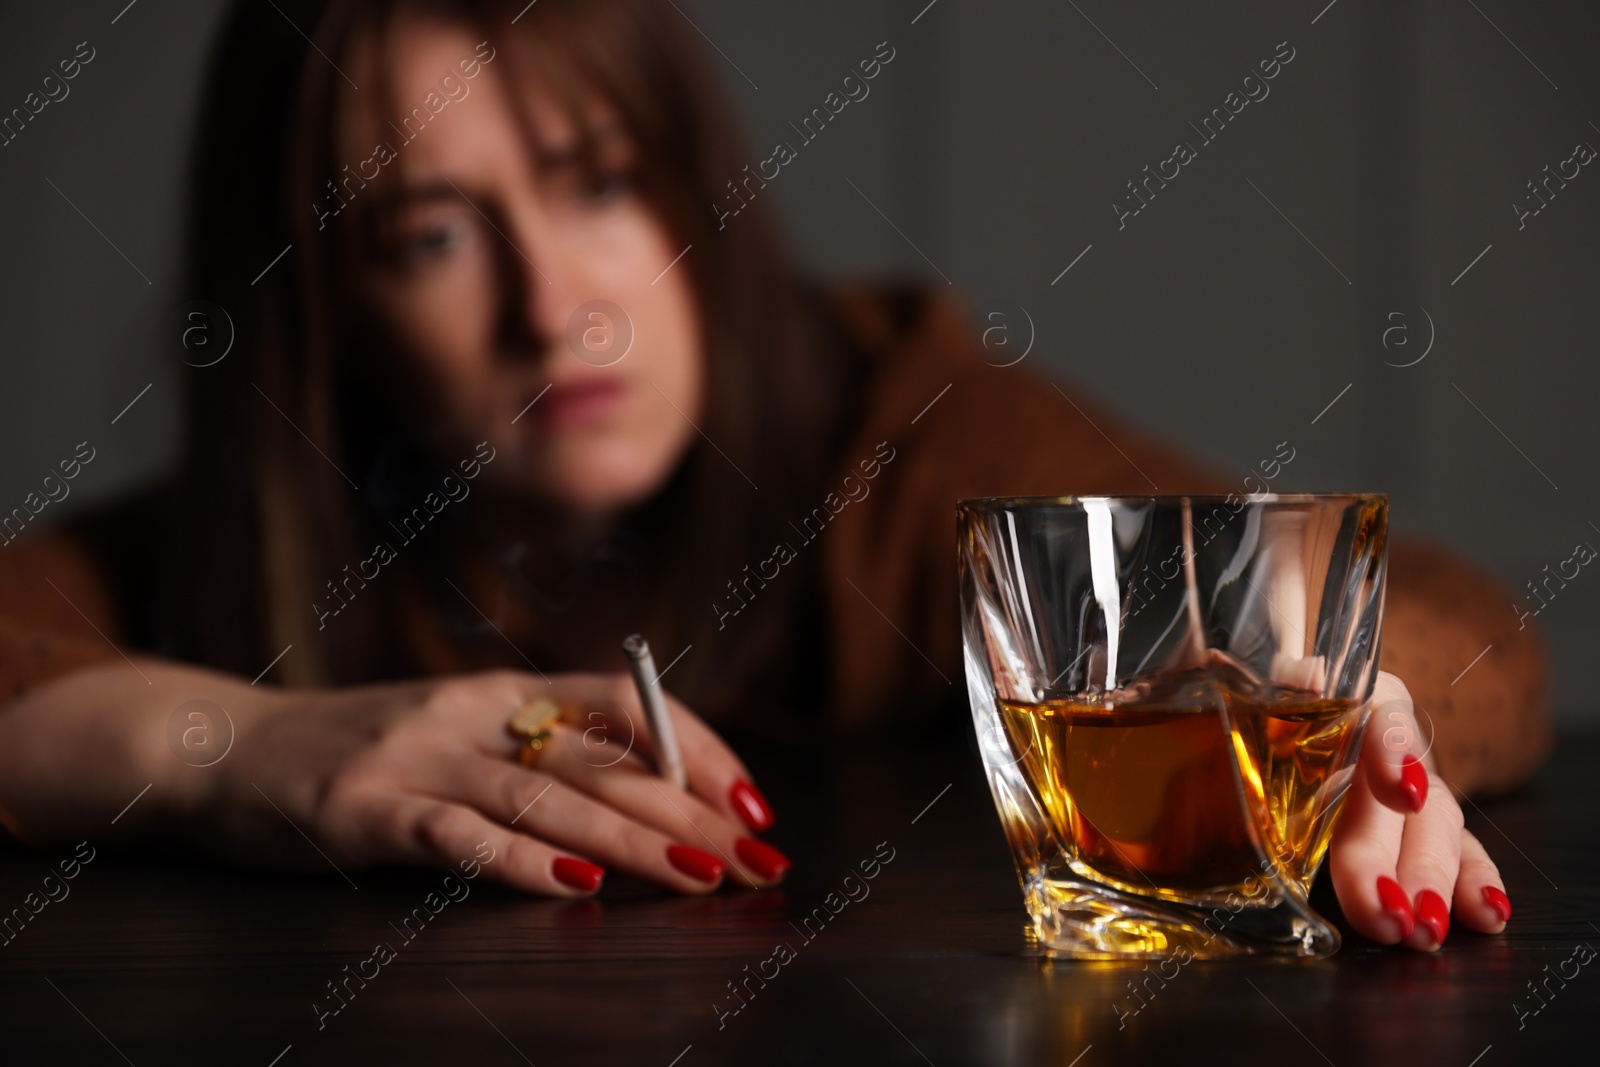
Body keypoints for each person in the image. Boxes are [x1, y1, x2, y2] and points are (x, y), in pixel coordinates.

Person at [0, 0, 1544, 951]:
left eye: (598, 184)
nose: (561, 307)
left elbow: (1473, 635)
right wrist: (236, 753)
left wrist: (1342, 716)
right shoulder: (254, 538)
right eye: (434, 234)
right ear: (322, 310)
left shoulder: (903, 422)